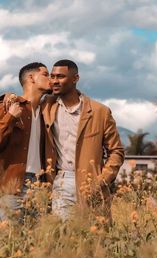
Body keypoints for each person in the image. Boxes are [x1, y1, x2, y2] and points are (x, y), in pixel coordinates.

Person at [42, 59, 124, 221]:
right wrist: (9, 96)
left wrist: (101, 181)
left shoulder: (100, 111)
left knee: (91, 237)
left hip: (92, 182)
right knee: (62, 236)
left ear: (75, 78)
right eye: (52, 76)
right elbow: (27, 97)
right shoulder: (47, 107)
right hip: (62, 181)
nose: (54, 81)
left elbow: (116, 151)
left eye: (60, 76)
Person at [0, 62, 51, 221]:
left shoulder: (46, 111)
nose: (51, 79)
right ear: (31, 78)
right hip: (12, 184)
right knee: (8, 239)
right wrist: (10, 117)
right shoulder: (9, 106)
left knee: (36, 241)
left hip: (39, 185)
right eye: (46, 74)